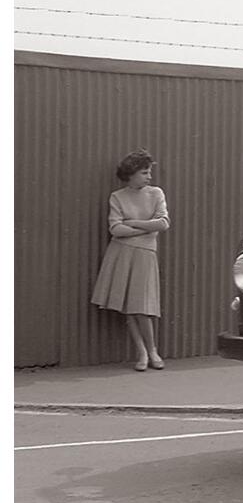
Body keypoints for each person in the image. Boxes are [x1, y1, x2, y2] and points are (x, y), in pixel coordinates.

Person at [91, 148, 170, 371]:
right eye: (145, 172)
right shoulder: (117, 197)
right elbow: (115, 228)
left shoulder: (156, 194)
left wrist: (133, 224)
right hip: (122, 252)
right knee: (129, 306)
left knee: (142, 306)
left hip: (145, 254)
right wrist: (146, 227)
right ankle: (143, 352)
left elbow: (163, 223)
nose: (149, 177)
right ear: (131, 174)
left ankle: (153, 350)